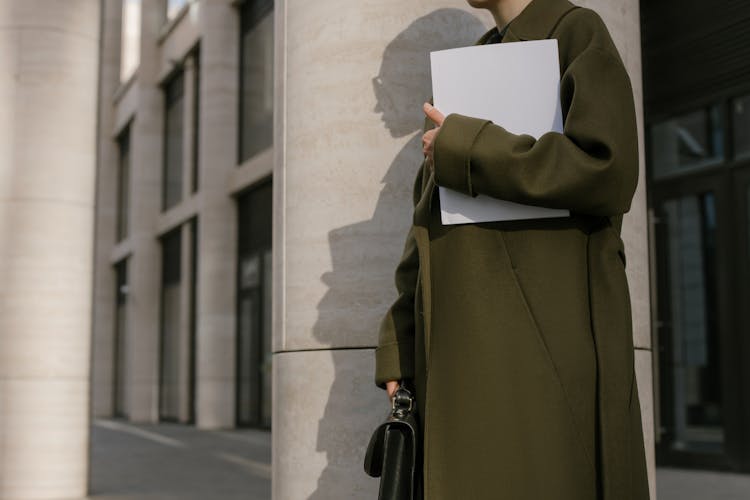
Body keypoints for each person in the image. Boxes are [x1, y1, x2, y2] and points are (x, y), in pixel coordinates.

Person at [373, 0, 651, 499]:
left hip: (548, 343)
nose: (378, 100)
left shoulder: (576, 31)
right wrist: (400, 341)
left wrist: (468, 147)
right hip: (461, 340)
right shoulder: (474, 62)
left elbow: (608, 169)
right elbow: (427, 223)